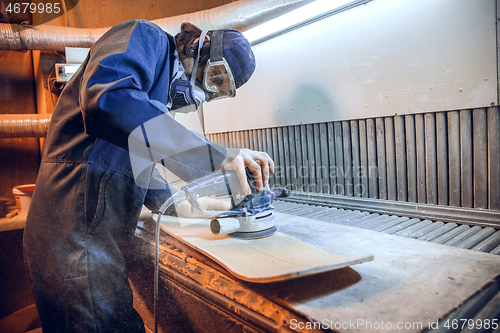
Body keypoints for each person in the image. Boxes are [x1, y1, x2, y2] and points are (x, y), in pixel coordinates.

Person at [24, 19, 274, 332]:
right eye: (214, 76)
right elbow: (107, 98)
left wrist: (177, 203)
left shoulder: (153, 95)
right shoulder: (146, 37)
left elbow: (132, 154)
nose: (205, 92)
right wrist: (213, 156)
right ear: (198, 45)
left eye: (218, 90)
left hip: (93, 236)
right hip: (72, 231)